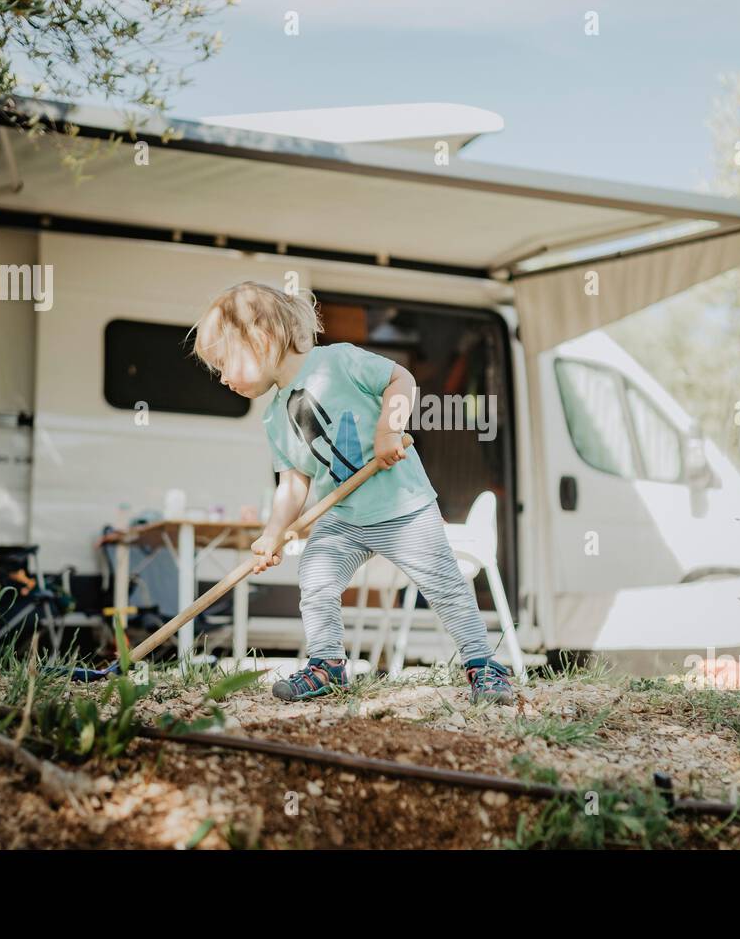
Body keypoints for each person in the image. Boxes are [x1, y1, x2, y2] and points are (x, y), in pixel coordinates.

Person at [192, 281, 515, 705]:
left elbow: (401, 379)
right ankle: (327, 665)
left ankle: (483, 666)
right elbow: (292, 485)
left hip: (402, 507)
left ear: (260, 340)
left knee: (444, 585)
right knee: (316, 578)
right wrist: (272, 533)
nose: (223, 379)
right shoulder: (274, 419)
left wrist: (389, 428)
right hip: (343, 518)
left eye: (224, 364)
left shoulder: (339, 360)